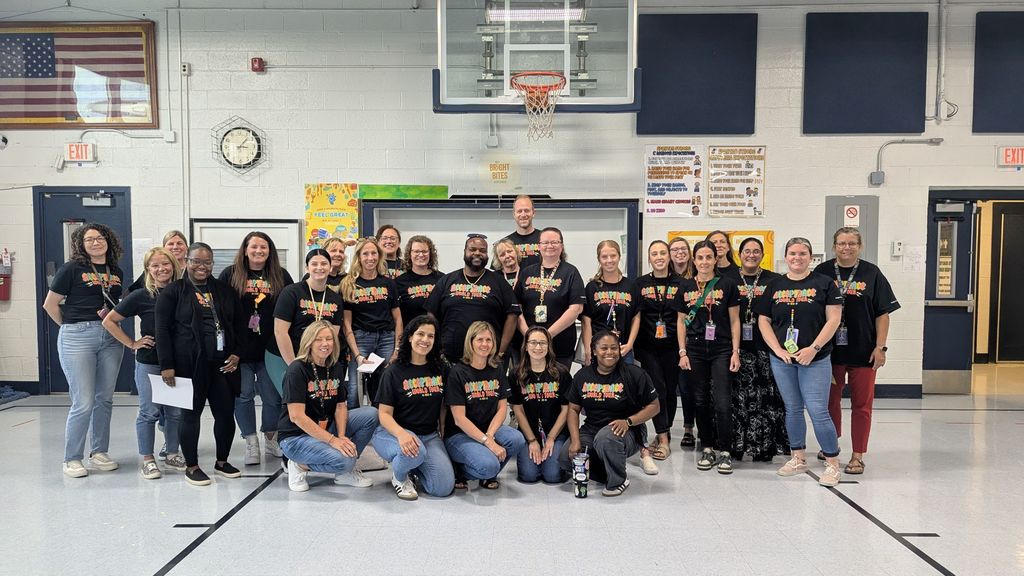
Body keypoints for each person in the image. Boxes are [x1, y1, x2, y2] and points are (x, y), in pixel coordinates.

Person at [155, 242, 246, 486]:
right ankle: (192, 465)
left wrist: (237, 353)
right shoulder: (173, 291)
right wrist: (167, 365)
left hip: (223, 365)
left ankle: (222, 461)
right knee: (190, 416)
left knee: (226, 415)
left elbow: (239, 326)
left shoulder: (224, 290)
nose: (201, 266)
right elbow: (162, 330)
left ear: (213, 264)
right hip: (188, 366)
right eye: (196, 261)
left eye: (207, 262)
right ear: (186, 262)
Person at [756, 237, 844, 487]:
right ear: (786, 256)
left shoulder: (824, 284)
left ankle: (832, 463)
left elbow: (833, 319)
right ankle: (798, 457)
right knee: (792, 409)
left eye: (803, 253)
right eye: (793, 253)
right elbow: (763, 320)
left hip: (815, 359)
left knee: (818, 410)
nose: (797, 257)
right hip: (783, 359)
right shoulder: (775, 285)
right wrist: (777, 349)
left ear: (810, 256)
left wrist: (813, 349)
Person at [814, 227, 900, 475]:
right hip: (830, 352)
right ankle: (831, 444)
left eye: (852, 243)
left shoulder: (871, 273)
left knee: (862, 405)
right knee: (830, 401)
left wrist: (880, 347)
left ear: (860, 246)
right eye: (841, 243)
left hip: (863, 351)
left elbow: (882, 313)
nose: (846, 248)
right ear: (834, 246)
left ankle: (857, 455)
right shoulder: (822, 272)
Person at [42, 223, 126, 478]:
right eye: (89, 239)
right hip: (78, 336)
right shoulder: (71, 269)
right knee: (84, 401)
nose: (96, 242)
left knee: (105, 398)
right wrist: (70, 327)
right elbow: (50, 305)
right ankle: (72, 458)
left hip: (110, 337)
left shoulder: (116, 271)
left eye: (100, 238)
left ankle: (99, 452)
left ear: (108, 241)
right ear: (81, 244)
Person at [102, 247, 183, 479]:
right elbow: (109, 321)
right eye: (155, 265)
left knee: (175, 413)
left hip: (178, 363)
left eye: (165, 264)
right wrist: (132, 343)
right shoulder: (141, 295)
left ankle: (172, 453)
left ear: (173, 266)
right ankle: (148, 459)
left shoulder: (183, 292)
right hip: (150, 362)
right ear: (148, 269)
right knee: (149, 412)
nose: (161, 269)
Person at [220, 232, 294, 466]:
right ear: (245, 250)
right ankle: (251, 442)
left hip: (270, 349)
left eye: (264, 247)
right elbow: (221, 312)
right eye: (254, 247)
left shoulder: (281, 276)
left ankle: (271, 437)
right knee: (243, 396)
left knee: (273, 397)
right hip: (238, 350)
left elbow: (291, 310)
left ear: (270, 251)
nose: (259, 251)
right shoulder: (230, 274)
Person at [278, 321, 378, 492]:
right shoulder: (297, 369)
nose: (325, 344)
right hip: (296, 437)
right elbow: (297, 416)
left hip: (326, 428)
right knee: (345, 460)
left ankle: (343, 473)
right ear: (309, 342)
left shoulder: (335, 367)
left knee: (371, 414)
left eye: (329, 339)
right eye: (319, 339)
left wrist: (341, 436)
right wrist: (333, 441)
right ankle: (300, 465)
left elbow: (340, 406)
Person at [559, 331, 660, 497]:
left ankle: (619, 480)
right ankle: (608, 468)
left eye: (614, 348)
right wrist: (575, 440)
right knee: (565, 457)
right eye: (604, 348)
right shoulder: (583, 375)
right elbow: (573, 409)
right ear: (594, 351)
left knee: (606, 438)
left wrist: (628, 421)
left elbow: (654, 406)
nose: (610, 352)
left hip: (627, 430)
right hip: (592, 429)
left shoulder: (634, 373)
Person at [372, 315, 455, 500]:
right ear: (410, 336)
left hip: (429, 436)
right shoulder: (392, 372)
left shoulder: (441, 368)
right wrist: (402, 434)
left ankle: (412, 465)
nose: (425, 340)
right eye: (420, 334)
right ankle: (399, 477)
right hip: (393, 433)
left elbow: (444, 405)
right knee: (415, 451)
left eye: (431, 336)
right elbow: (384, 414)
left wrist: (442, 430)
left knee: (442, 488)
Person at [677, 240, 741, 475]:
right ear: (694, 260)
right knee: (700, 400)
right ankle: (707, 447)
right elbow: (681, 322)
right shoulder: (685, 286)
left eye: (708, 257)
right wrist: (682, 352)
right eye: (700, 257)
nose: (704, 262)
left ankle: (725, 451)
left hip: (722, 348)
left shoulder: (728, 284)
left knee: (723, 401)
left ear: (716, 259)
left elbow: (735, 320)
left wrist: (735, 351)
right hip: (694, 349)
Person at [443, 321, 526, 490]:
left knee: (517, 439)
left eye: (489, 340)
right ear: (470, 342)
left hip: (488, 429)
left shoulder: (497, 369)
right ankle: (460, 471)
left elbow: (502, 408)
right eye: (480, 339)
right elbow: (459, 419)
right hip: (460, 434)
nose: (485, 344)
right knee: (488, 465)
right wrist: (488, 442)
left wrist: (489, 435)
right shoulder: (457, 372)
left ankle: (487, 475)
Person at [731, 237, 789, 462]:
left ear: (763, 254)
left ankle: (764, 447)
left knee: (766, 400)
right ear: (740, 254)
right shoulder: (728, 279)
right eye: (747, 251)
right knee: (739, 400)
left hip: (766, 348)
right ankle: (737, 446)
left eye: (756, 251)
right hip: (737, 349)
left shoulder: (775, 280)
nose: (751, 255)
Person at [634, 241, 691, 458]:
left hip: (673, 347)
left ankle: (661, 432)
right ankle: (664, 438)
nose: (659, 257)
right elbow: (636, 316)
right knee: (657, 387)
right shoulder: (640, 283)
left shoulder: (682, 283)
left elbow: (683, 318)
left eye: (662, 253)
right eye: (654, 253)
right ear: (649, 258)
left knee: (668, 390)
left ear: (669, 257)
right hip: (647, 346)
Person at [425, 234, 518, 362]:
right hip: (450, 357)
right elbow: (431, 313)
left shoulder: (499, 282)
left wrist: (501, 352)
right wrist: (437, 345)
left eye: (482, 250)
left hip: (488, 358)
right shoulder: (446, 280)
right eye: (472, 249)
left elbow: (512, 316)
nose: (477, 253)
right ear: (465, 251)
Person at [273, 249, 346, 400]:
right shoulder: (291, 292)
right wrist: (294, 366)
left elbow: (332, 337)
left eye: (324, 263)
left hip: (317, 360)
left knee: (313, 401)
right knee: (288, 399)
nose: (319, 267)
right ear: (307, 267)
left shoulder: (335, 299)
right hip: (286, 355)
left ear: (330, 266)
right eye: (314, 264)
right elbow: (280, 332)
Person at [341, 237, 402, 405]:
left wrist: (397, 348)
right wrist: (357, 354)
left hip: (386, 339)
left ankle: (381, 426)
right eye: (365, 254)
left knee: (383, 387)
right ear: (358, 257)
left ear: (379, 255)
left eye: (374, 253)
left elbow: (397, 318)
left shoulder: (389, 283)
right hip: (361, 339)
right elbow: (346, 323)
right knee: (354, 389)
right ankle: (354, 427)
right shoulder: (350, 284)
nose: (370, 258)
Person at [514, 227, 585, 367]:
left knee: (558, 386)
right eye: (545, 242)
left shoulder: (571, 272)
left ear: (562, 246)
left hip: (560, 344)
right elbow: (516, 307)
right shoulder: (527, 272)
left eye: (554, 242)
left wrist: (546, 336)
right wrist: (530, 336)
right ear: (539, 246)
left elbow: (576, 308)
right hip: (529, 346)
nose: (550, 246)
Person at [509, 327, 571, 484]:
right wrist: (531, 440)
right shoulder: (516, 374)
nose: (538, 347)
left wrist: (551, 438)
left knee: (552, 476)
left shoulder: (561, 373)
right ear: (526, 345)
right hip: (529, 432)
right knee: (528, 476)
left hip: (556, 432)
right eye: (533, 343)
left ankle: (557, 455)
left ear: (549, 346)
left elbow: (566, 410)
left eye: (543, 343)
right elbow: (518, 409)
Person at [582, 240, 639, 366]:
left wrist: (630, 344)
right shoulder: (592, 287)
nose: (609, 260)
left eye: (613, 256)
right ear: (599, 259)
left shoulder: (631, 286)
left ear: (619, 256)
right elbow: (586, 321)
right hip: (598, 351)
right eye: (604, 257)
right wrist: (588, 349)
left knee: (625, 385)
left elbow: (636, 317)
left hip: (623, 349)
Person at [395, 235, 443, 328]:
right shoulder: (399, 282)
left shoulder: (442, 279)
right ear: (409, 254)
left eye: (424, 251)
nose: (421, 255)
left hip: (437, 334)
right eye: (416, 251)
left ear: (431, 254)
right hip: (411, 335)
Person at [503, 194, 541, 268]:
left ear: (533, 213)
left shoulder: (546, 240)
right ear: (514, 214)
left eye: (526, 210)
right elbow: (497, 273)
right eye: (519, 211)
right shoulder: (505, 243)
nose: (523, 214)